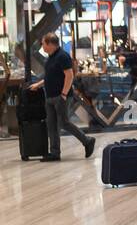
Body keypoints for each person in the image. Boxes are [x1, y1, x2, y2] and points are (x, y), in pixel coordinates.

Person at [28, 32, 95, 162]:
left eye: (43, 44)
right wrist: (38, 84)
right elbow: (50, 77)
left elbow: (69, 75)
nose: (42, 47)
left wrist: (63, 94)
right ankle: (54, 152)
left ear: (50, 44)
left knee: (64, 123)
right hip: (50, 96)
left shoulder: (62, 56)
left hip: (61, 96)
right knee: (51, 124)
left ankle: (87, 141)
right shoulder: (50, 57)